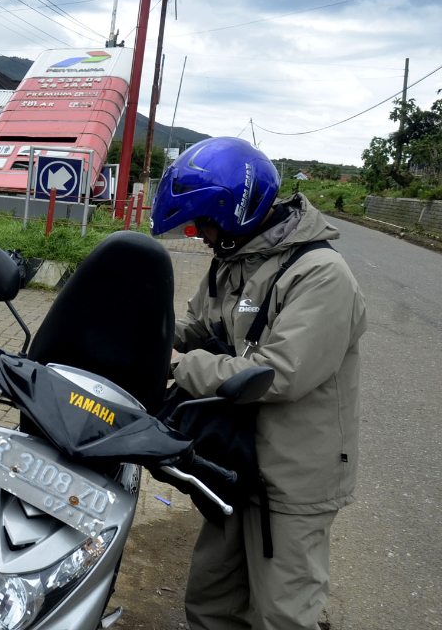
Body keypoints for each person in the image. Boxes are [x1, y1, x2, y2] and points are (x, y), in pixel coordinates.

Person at [150, 137, 367, 630]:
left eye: (204, 220)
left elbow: (280, 372)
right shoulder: (233, 259)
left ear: (237, 212)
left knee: (281, 614)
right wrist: (141, 333)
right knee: (211, 600)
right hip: (235, 460)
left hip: (292, 477)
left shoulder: (321, 275)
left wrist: (178, 363)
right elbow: (199, 327)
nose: (197, 232)